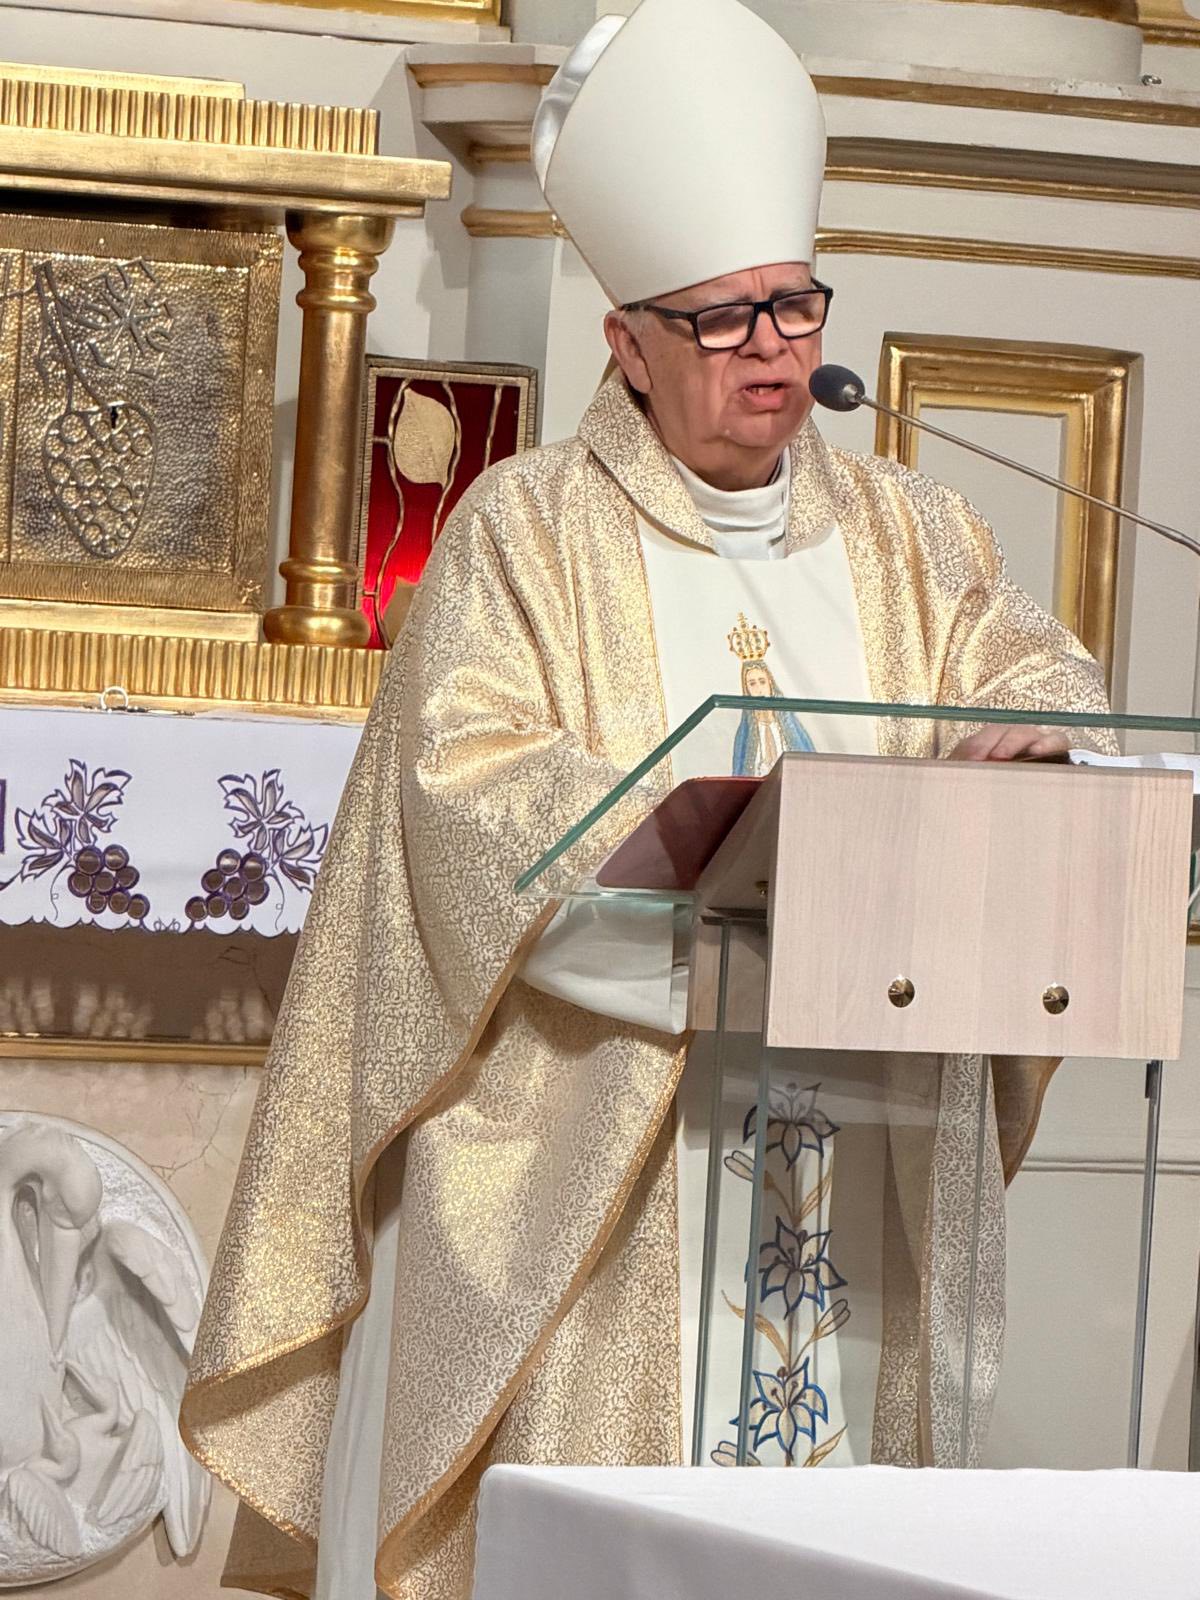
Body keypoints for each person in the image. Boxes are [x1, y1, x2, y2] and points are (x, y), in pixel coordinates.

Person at [181, 1, 1113, 1596]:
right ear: (626, 343)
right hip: (605, 1151)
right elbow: (465, 795)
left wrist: (1043, 746)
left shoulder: (915, 533)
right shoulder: (523, 532)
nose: (775, 350)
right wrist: (672, 827)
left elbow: (1031, 669)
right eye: (726, 319)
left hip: (858, 1120)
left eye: (795, 306)